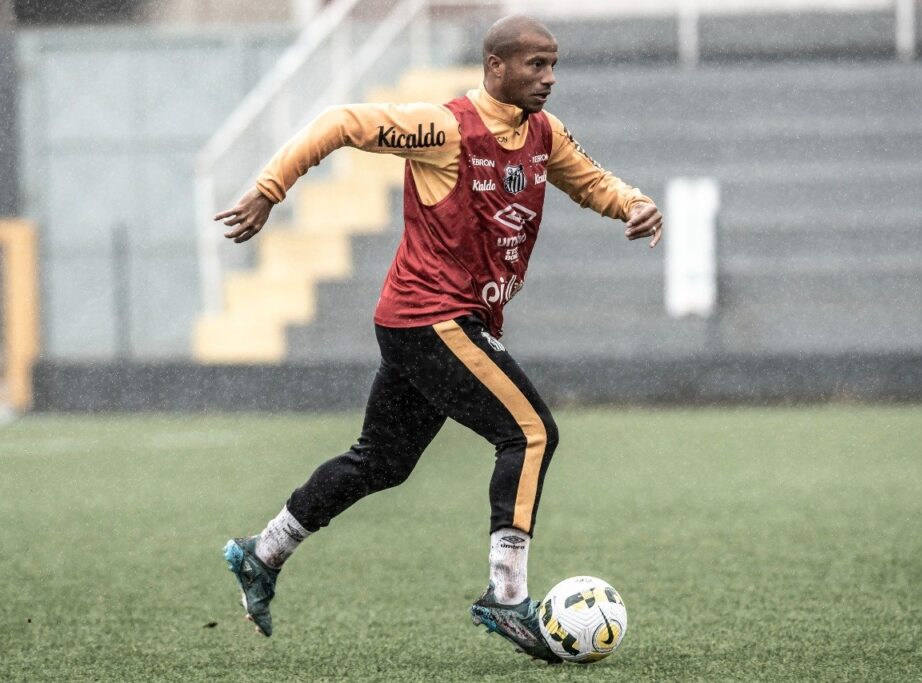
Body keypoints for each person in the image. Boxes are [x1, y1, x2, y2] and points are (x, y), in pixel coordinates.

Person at [215, 14, 662, 663]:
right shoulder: (446, 127)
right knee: (530, 432)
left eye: (553, 64)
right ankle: (506, 596)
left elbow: (588, 179)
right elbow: (341, 121)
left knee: (381, 461)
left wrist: (633, 202)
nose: (549, 77)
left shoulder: (543, 133)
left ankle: (262, 552)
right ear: (495, 67)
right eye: (535, 65)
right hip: (430, 316)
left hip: (434, 320)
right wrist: (267, 189)